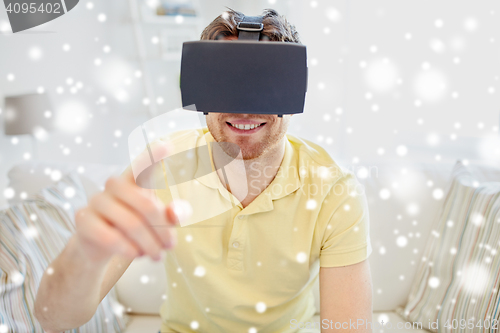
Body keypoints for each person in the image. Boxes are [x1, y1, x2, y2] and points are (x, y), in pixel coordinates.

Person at [34, 8, 373, 333]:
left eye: (261, 82)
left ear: (293, 89)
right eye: (226, 80)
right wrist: (84, 253)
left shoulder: (333, 188)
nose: (243, 107)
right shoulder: (161, 165)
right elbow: (55, 320)